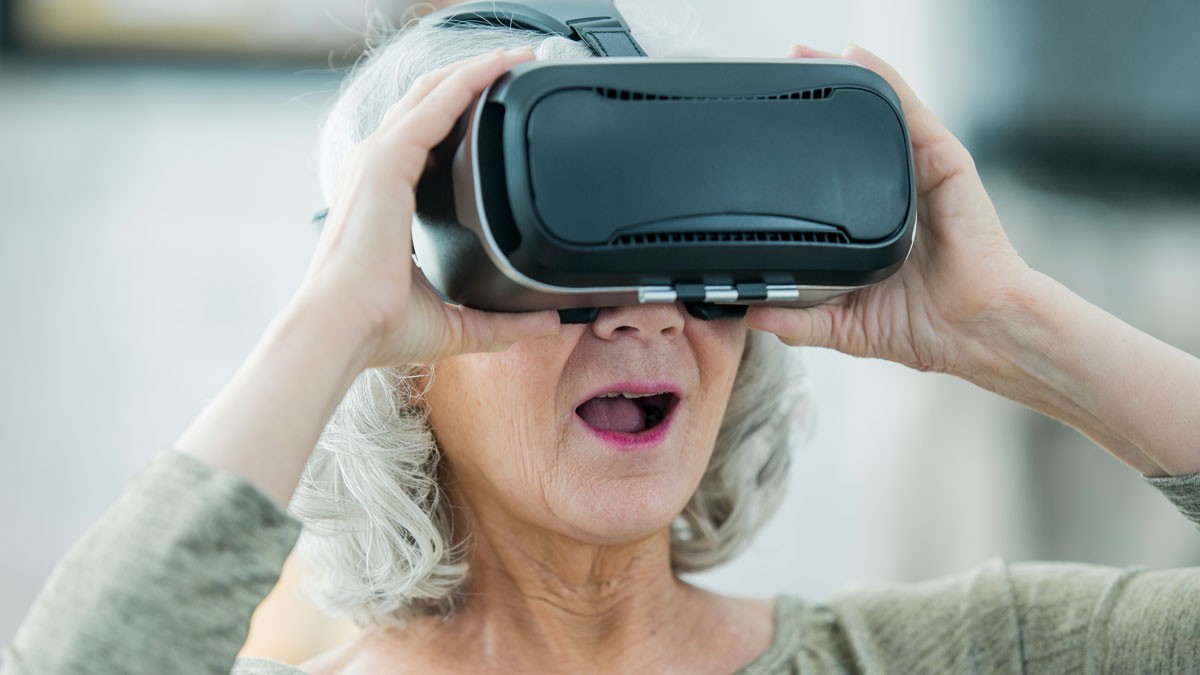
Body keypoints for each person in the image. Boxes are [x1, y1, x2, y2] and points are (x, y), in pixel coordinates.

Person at [4, 10, 1200, 675]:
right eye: (560, 265)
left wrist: (1014, 326)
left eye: (682, 255)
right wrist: (326, 329)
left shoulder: (946, 658)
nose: (643, 314)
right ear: (400, 342)